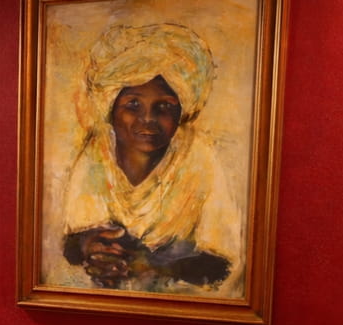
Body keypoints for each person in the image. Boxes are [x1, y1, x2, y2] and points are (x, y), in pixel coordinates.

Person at [60, 23, 242, 296]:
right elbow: (73, 241)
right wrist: (91, 246)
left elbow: (222, 262)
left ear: (181, 111)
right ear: (111, 109)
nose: (147, 119)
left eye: (164, 106)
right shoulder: (97, 152)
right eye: (133, 104)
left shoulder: (199, 157)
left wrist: (158, 268)